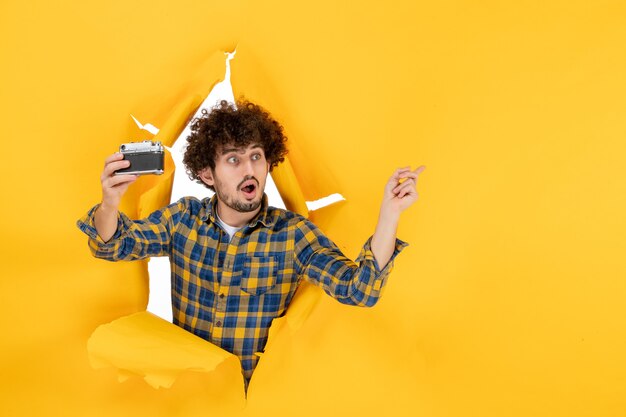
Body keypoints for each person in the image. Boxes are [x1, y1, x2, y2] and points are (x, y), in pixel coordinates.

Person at [77, 99, 425, 389]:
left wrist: (390, 214)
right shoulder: (182, 219)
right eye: (233, 159)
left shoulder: (293, 235)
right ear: (207, 174)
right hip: (189, 397)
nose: (250, 169)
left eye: (256, 156)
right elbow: (114, 244)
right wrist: (110, 202)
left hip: (255, 399)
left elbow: (359, 290)